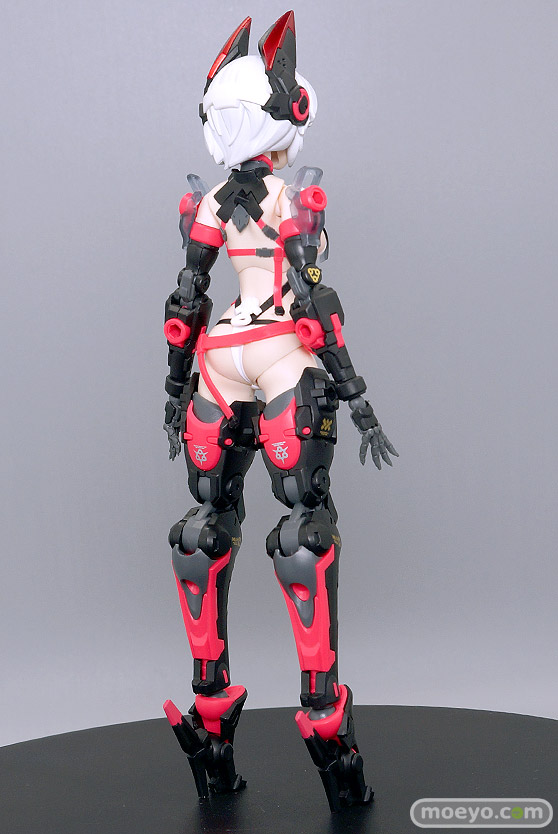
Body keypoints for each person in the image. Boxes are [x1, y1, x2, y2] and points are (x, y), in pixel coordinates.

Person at [162, 12, 397, 812]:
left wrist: (174, 390)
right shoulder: (286, 197)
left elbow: (186, 302)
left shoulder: (209, 203)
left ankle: (209, 726)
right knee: (304, 530)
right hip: (280, 347)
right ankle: (329, 733)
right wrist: (356, 395)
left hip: (220, 356)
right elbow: (315, 298)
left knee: (204, 528)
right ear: (282, 117)